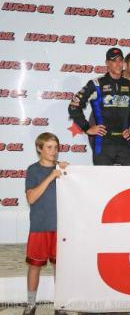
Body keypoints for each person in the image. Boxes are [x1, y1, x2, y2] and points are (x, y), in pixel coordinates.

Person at [23, 133, 68, 315]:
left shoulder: (64, 170)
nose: (53, 151)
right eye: (49, 147)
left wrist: (67, 173)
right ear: (39, 149)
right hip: (40, 227)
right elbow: (32, 198)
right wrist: (52, 176)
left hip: (61, 228)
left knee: (61, 267)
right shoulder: (33, 170)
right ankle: (31, 304)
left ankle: (60, 304)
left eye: (56, 147)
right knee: (35, 266)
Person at [68, 47, 130, 165]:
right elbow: (74, 106)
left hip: (124, 143)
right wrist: (87, 128)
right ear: (107, 64)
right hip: (103, 144)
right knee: (103, 182)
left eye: (120, 60)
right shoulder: (96, 84)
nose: (118, 64)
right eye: (114, 60)